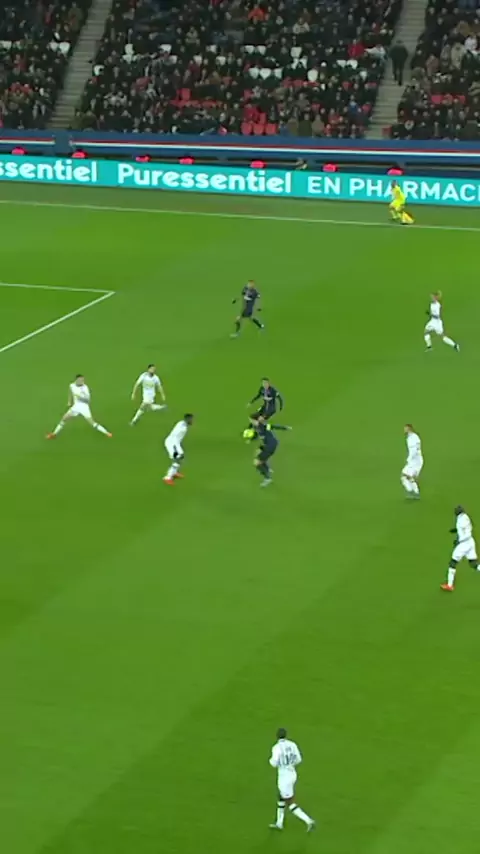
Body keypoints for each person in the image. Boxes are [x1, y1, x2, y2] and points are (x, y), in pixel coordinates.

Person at [269, 727, 315, 832]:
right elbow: (299, 759)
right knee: (280, 796)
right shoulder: (292, 745)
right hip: (292, 774)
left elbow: (274, 763)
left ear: (277, 736)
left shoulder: (276, 748)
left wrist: (273, 762)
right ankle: (279, 823)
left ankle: (308, 821)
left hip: (284, 777)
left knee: (290, 802)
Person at [46, 374, 112, 439]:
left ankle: (107, 433)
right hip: (75, 407)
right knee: (64, 418)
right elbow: (70, 392)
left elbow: (88, 400)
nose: (82, 381)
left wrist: (79, 397)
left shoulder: (85, 388)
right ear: (76, 380)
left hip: (84, 408)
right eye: (81, 380)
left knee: (92, 423)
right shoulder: (72, 385)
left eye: (83, 380)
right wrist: (69, 401)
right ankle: (54, 434)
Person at [441, 506, 480, 591]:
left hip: (464, 544)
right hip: (470, 542)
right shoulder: (465, 516)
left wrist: (459, 540)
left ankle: (449, 585)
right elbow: (466, 528)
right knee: (474, 564)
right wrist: (456, 530)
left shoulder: (461, 520)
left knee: (453, 562)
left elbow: (467, 534)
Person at [249, 416, 291, 487]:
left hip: (270, 445)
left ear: (256, 421)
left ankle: (267, 478)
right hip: (267, 444)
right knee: (258, 453)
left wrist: (285, 428)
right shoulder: (256, 428)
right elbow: (257, 437)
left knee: (257, 462)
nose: (251, 421)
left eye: (253, 420)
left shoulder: (264, 426)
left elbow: (274, 426)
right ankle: (267, 469)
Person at [163, 414, 193, 485]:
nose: (192, 421)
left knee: (180, 459)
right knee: (177, 460)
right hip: (171, 444)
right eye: (191, 419)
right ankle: (167, 478)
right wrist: (178, 451)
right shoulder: (182, 429)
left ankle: (174, 472)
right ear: (187, 420)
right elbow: (175, 440)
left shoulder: (181, 423)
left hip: (174, 443)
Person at [401, 424, 422, 498]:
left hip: (415, 461)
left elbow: (414, 450)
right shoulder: (414, 436)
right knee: (407, 476)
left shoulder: (411, 438)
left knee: (405, 476)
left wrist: (409, 459)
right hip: (416, 460)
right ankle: (413, 492)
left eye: (405, 429)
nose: (404, 430)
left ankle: (414, 492)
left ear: (409, 429)